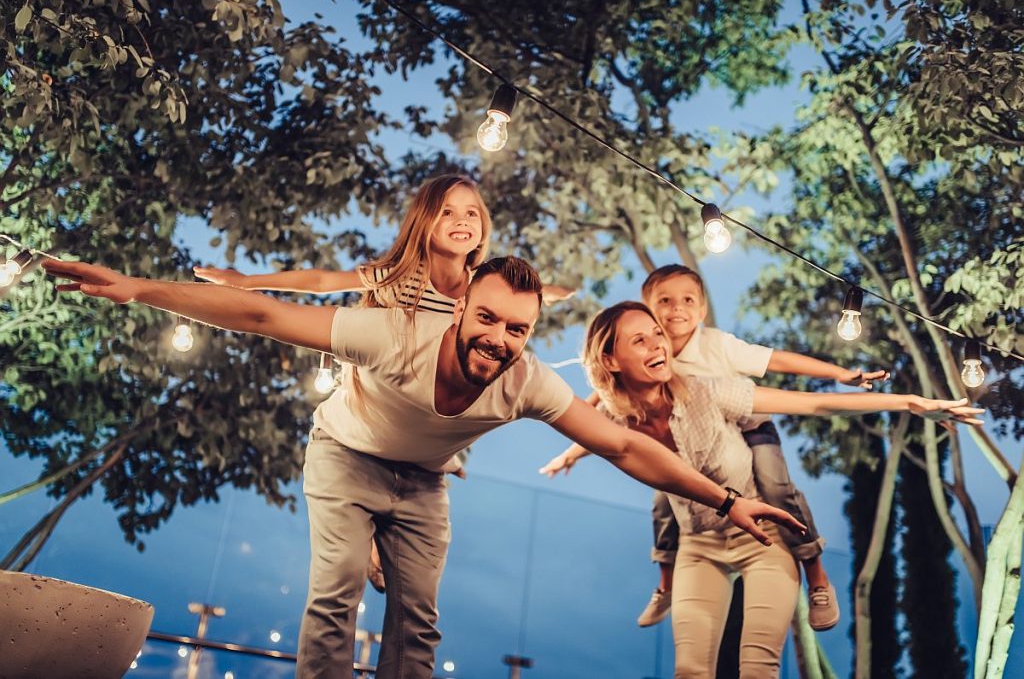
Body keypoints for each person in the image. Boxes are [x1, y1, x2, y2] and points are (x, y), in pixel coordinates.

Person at [43, 255, 806, 679]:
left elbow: (626, 447)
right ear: (461, 309)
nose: (499, 339)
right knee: (336, 595)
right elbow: (262, 314)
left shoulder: (526, 378)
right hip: (345, 456)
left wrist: (728, 498)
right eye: (488, 319)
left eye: (518, 328)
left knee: (418, 625)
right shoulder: (393, 334)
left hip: (423, 484)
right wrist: (138, 288)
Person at [540, 302, 982, 678]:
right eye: (639, 340)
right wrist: (566, 456)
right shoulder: (611, 423)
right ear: (611, 360)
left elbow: (812, 404)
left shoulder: (707, 392)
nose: (658, 343)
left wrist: (907, 402)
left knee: (758, 668)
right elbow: (551, 406)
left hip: (763, 539)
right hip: (699, 545)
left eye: (657, 333)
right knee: (690, 670)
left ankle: (814, 575)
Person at [195, 173, 573, 594]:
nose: (461, 220)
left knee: (468, 397)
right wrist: (247, 282)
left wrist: (555, 291)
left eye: (471, 212)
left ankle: (396, 527)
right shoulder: (400, 275)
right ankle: (374, 538)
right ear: (424, 222)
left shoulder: (482, 287)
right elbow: (322, 282)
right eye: (447, 212)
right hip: (380, 391)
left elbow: (527, 300)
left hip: (427, 409)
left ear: (484, 224)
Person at [570, 264, 887, 630]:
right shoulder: (646, 348)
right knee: (663, 501)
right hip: (702, 439)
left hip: (750, 423)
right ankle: (666, 586)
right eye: (665, 302)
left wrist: (838, 374)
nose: (677, 310)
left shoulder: (716, 344)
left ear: (702, 310)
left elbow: (775, 360)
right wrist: (573, 450)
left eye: (688, 300)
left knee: (776, 487)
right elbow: (607, 398)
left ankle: (815, 572)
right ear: (647, 308)